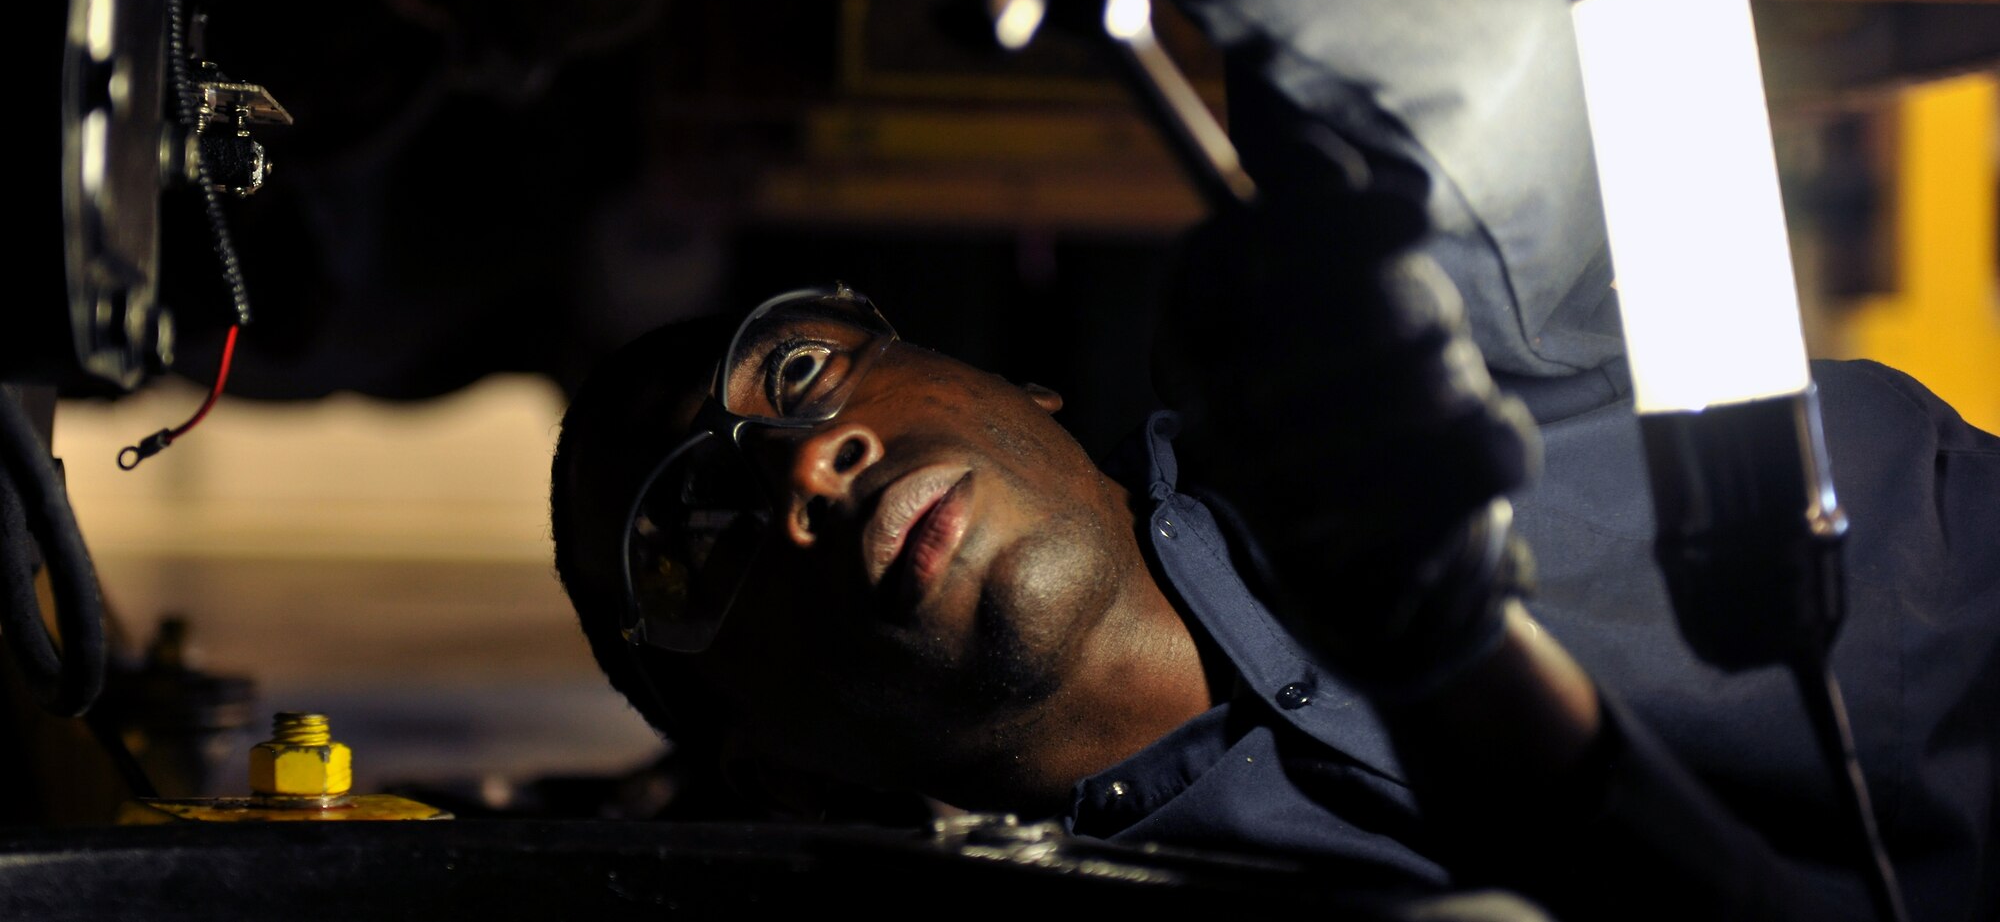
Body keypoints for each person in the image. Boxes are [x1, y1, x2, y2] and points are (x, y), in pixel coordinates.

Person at [549, 238, 1999, 921]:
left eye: (801, 374)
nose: (803, 470)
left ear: (1015, 382)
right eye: (704, 541)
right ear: (786, 777)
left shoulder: (1389, 348)